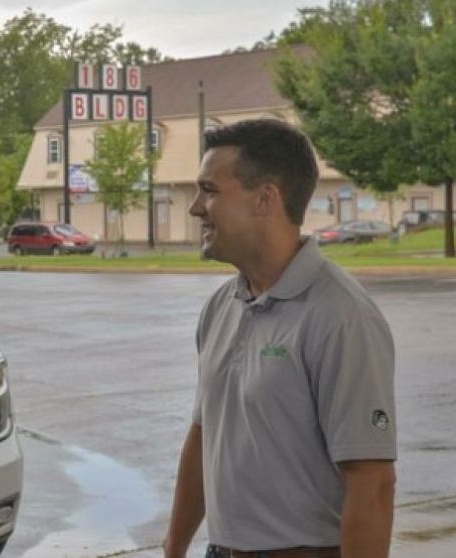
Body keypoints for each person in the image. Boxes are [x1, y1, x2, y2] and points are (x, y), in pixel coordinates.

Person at [163, 119, 396, 558]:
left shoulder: (341, 316)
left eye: (210, 190)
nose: (195, 207)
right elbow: (204, 433)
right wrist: (174, 546)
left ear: (265, 199)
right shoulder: (220, 307)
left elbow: (373, 484)